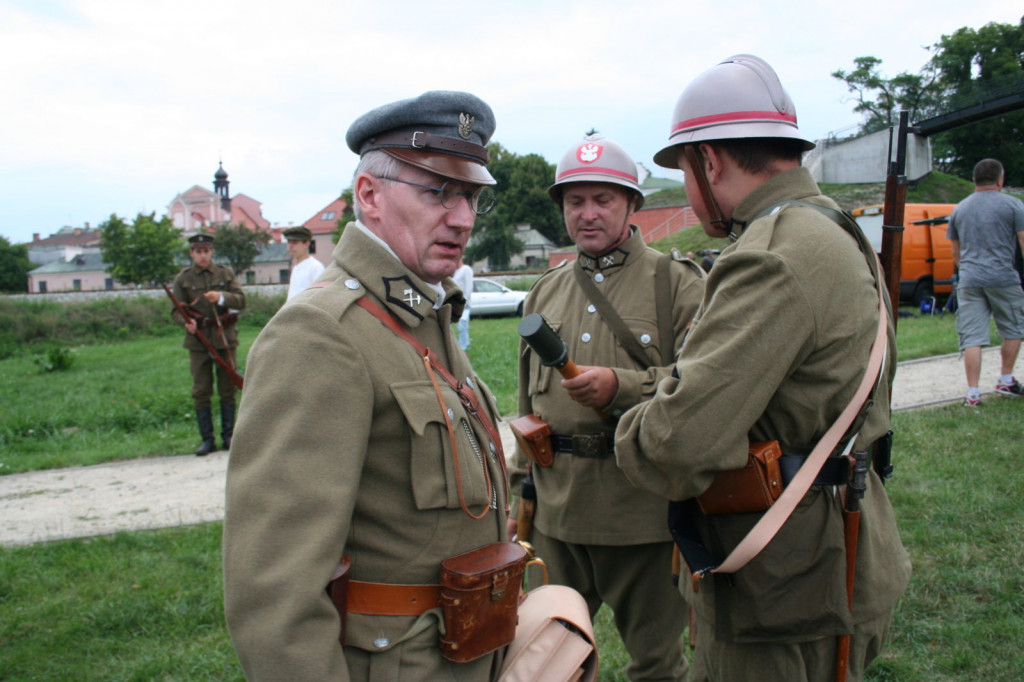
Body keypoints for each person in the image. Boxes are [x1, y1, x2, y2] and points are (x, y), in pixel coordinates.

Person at [613, 55, 911, 681]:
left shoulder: (772, 256)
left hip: (789, 582)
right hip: (824, 553)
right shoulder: (832, 229)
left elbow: (675, 444)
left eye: (685, 170)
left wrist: (635, 426)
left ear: (711, 161)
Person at [223, 90, 509, 681]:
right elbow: (275, 595)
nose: (462, 218)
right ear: (369, 196)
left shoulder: (429, 315)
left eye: (471, 196)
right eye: (438, 191)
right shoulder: (321, 335)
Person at [509, 134, 704, 681]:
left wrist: (622, 385)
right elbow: (527, 406)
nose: (587, 214)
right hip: (558, 517)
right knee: (543, 663)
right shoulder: (544, 292)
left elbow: (704, 386)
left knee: (656, 666)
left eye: (603, 200)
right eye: (575, 201)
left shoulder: (676, 284)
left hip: (643, 516)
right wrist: (520, 493)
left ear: (632, 205)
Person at [946, 158, 1024, 406]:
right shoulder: (1013, 206)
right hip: (1003, 277)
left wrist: (966, 269)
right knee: (1013, 328)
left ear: (974, 180)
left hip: (969, 279)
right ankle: (1005, 379)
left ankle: (972, 394)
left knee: (972, 337)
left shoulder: (959, 209)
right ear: (1000, 180)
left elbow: (955, 252)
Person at [171, 233, 246, 456]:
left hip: (224, 339)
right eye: (198, 252)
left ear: (211, 252)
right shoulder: (182, 279)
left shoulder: (225, 273)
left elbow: (241, 300)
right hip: (198, 341)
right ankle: (207, 440)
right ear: (192, 253)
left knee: (227, 389)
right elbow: (176, 310)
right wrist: (186, 323)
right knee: (201, 390)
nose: (203, 256)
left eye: (206, 251)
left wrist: (221, 297)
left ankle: (229, 436)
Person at [283, 225, 326, 300]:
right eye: (289, 242)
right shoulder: (296, 267)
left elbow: (320, 297)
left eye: (295, 242)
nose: (290, 246)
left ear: (306, 244)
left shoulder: (315, 267)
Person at [452, 257, 473, 349]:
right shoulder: (457, 272)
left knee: (463, 325)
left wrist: (464, 302)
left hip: (464, 304)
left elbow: (468, 287)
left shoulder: (466, 269)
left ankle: (463, 346)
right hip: (458, 303)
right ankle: (465, 343)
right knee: (460, 326)